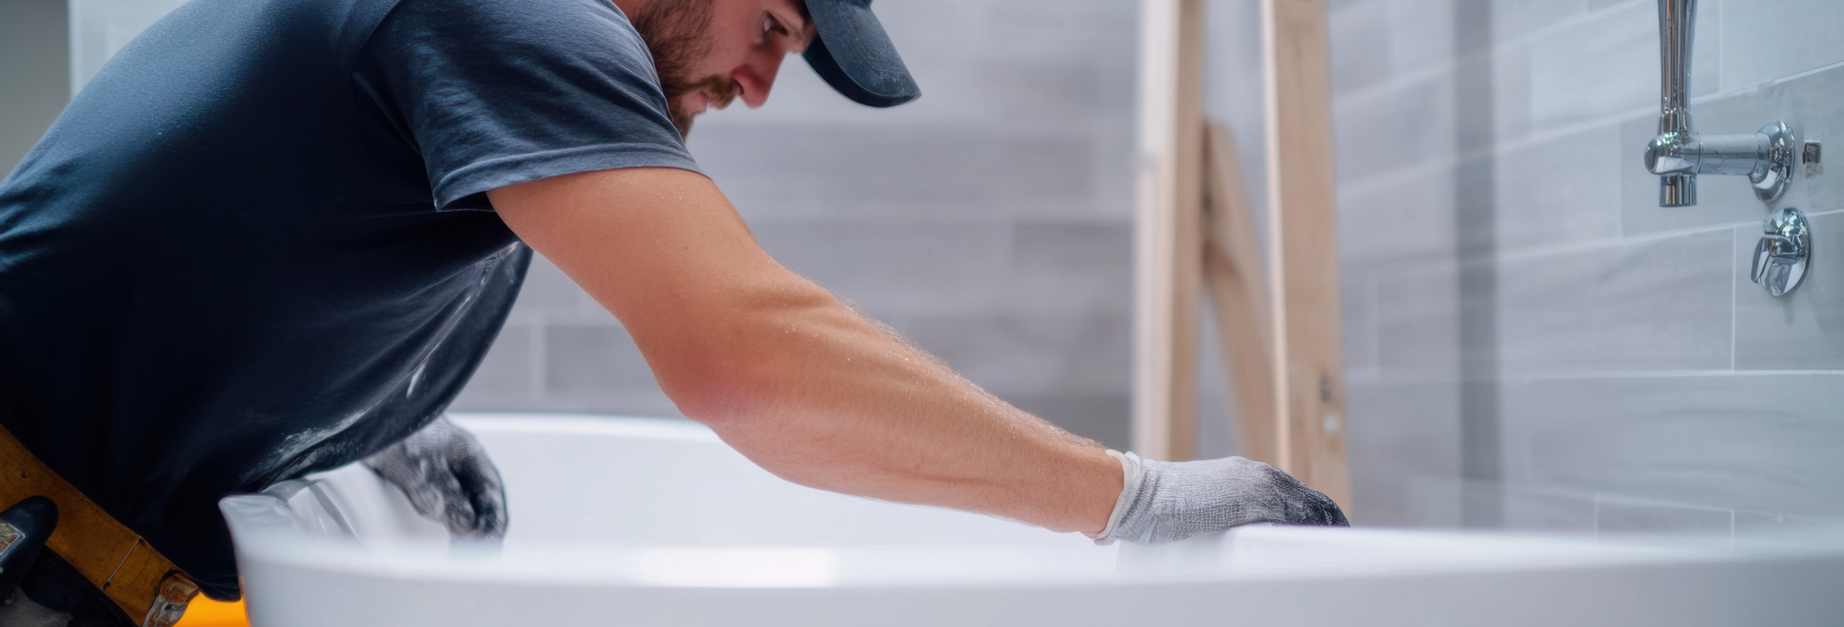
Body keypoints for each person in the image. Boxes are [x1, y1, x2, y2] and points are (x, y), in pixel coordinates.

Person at [0, 0, 1345, 623]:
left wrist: (363, 425)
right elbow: (750, 358)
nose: (763, 85)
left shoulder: (503, 71)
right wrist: (1133, 496)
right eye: (772, 28)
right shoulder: (529, 20)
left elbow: (250, 233)